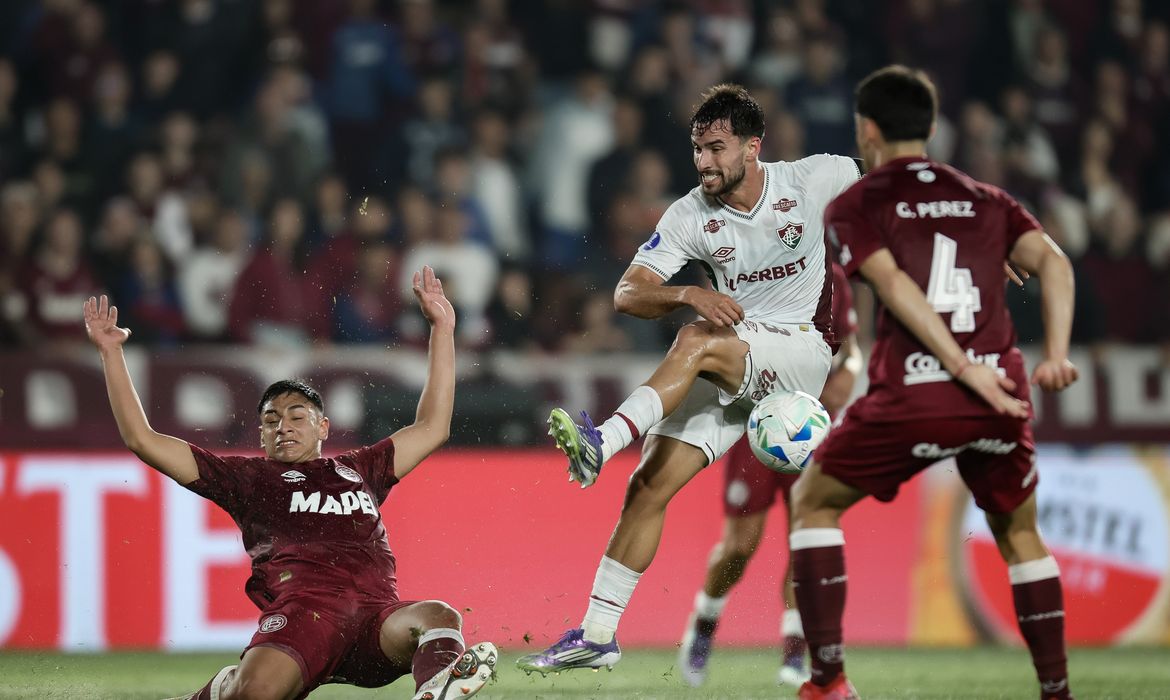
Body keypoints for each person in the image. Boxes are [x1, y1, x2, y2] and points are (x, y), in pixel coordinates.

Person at [517, 84, 862, 675]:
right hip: (734, 356)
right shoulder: (689, 214)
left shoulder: (811, 179)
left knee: (695, 339)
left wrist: (981, 234)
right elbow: (628, 293)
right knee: (648, 486)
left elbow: (901, 175)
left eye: (717, 148)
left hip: (801, 351)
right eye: (698, 148)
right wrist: (685, 292)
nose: (704, 161)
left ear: (753, 147)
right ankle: (597, 636)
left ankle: (604, 441)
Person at [788, 66, 1078, 700]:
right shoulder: (985, 198)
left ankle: (828, 681)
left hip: (916, 393)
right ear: (932, 126)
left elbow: (894, 284)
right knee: (1020, 535)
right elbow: (1055, 264)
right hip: (1001, 393)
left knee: (813, 501)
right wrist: (1055, 354)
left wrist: (958, 365)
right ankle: (1057, 693)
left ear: (867, 130)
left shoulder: (856, 204)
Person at [82, 266, 498, 700]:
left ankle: (435, 690)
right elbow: (143, 439)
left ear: (323, 427)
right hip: (303, 620)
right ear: (261, 435)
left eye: (297, 416)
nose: (283, 426)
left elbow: (433, 428)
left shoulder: (361, 468)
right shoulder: (247, 478)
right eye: (271, 420)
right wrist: (111, 353)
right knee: (253, 694)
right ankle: (222, 689)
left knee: (438, 617)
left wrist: (443, 329)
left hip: (376, 623)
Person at [677, 262, 861, 689]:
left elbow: (852, 348)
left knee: (805, 538)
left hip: (811, 425)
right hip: (756, 421)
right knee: (739, 546)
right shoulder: (749, 265)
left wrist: (849, 373)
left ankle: (795, 651)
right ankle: (704, 621)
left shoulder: (831, 277)